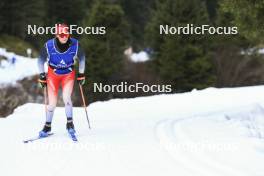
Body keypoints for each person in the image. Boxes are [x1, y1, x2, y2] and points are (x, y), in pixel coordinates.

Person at [37, 23, 86, 137]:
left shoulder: (75, 44)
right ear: (57, 35)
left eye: (66, 34)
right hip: (53, 75)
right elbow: (40, 60)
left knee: (66, 98)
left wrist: (81, 74)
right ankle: (47, 126)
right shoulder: (49, 45)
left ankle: (70, 124)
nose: (64, 37)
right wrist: (42, 75)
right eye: (61, 34)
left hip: (68, 74)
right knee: (52, 103)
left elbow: (82, 58)